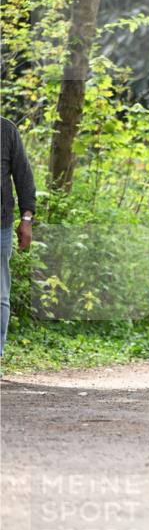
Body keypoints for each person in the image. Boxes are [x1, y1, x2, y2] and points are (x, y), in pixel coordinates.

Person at [1, 117, 36, 359]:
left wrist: (26, 219)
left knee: (0, 295)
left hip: (0, 225)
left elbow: (23, 177)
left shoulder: (6, 130)